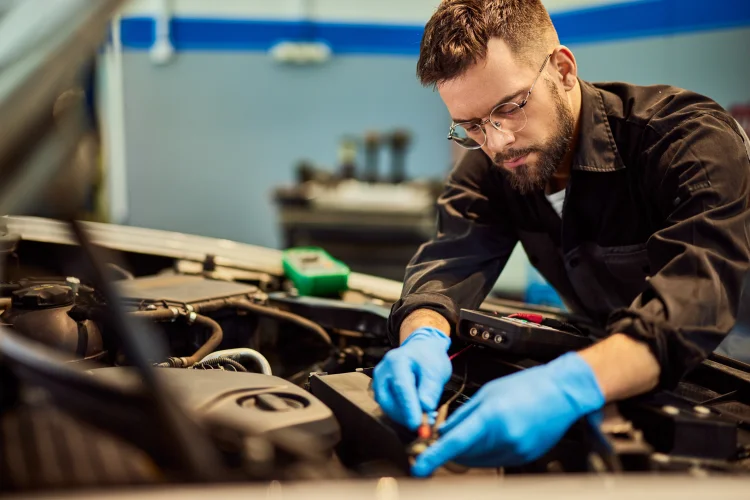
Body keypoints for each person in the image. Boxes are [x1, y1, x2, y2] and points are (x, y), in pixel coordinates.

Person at [372, 0, 750, 477]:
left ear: (564, 70)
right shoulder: (490, 166)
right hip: (627, 372)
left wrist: (567, 386)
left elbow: (695, 296)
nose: (497, 141)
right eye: (471, 126)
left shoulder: (685, 138)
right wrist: (422, 335)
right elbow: (450, 259)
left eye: (508, 108)